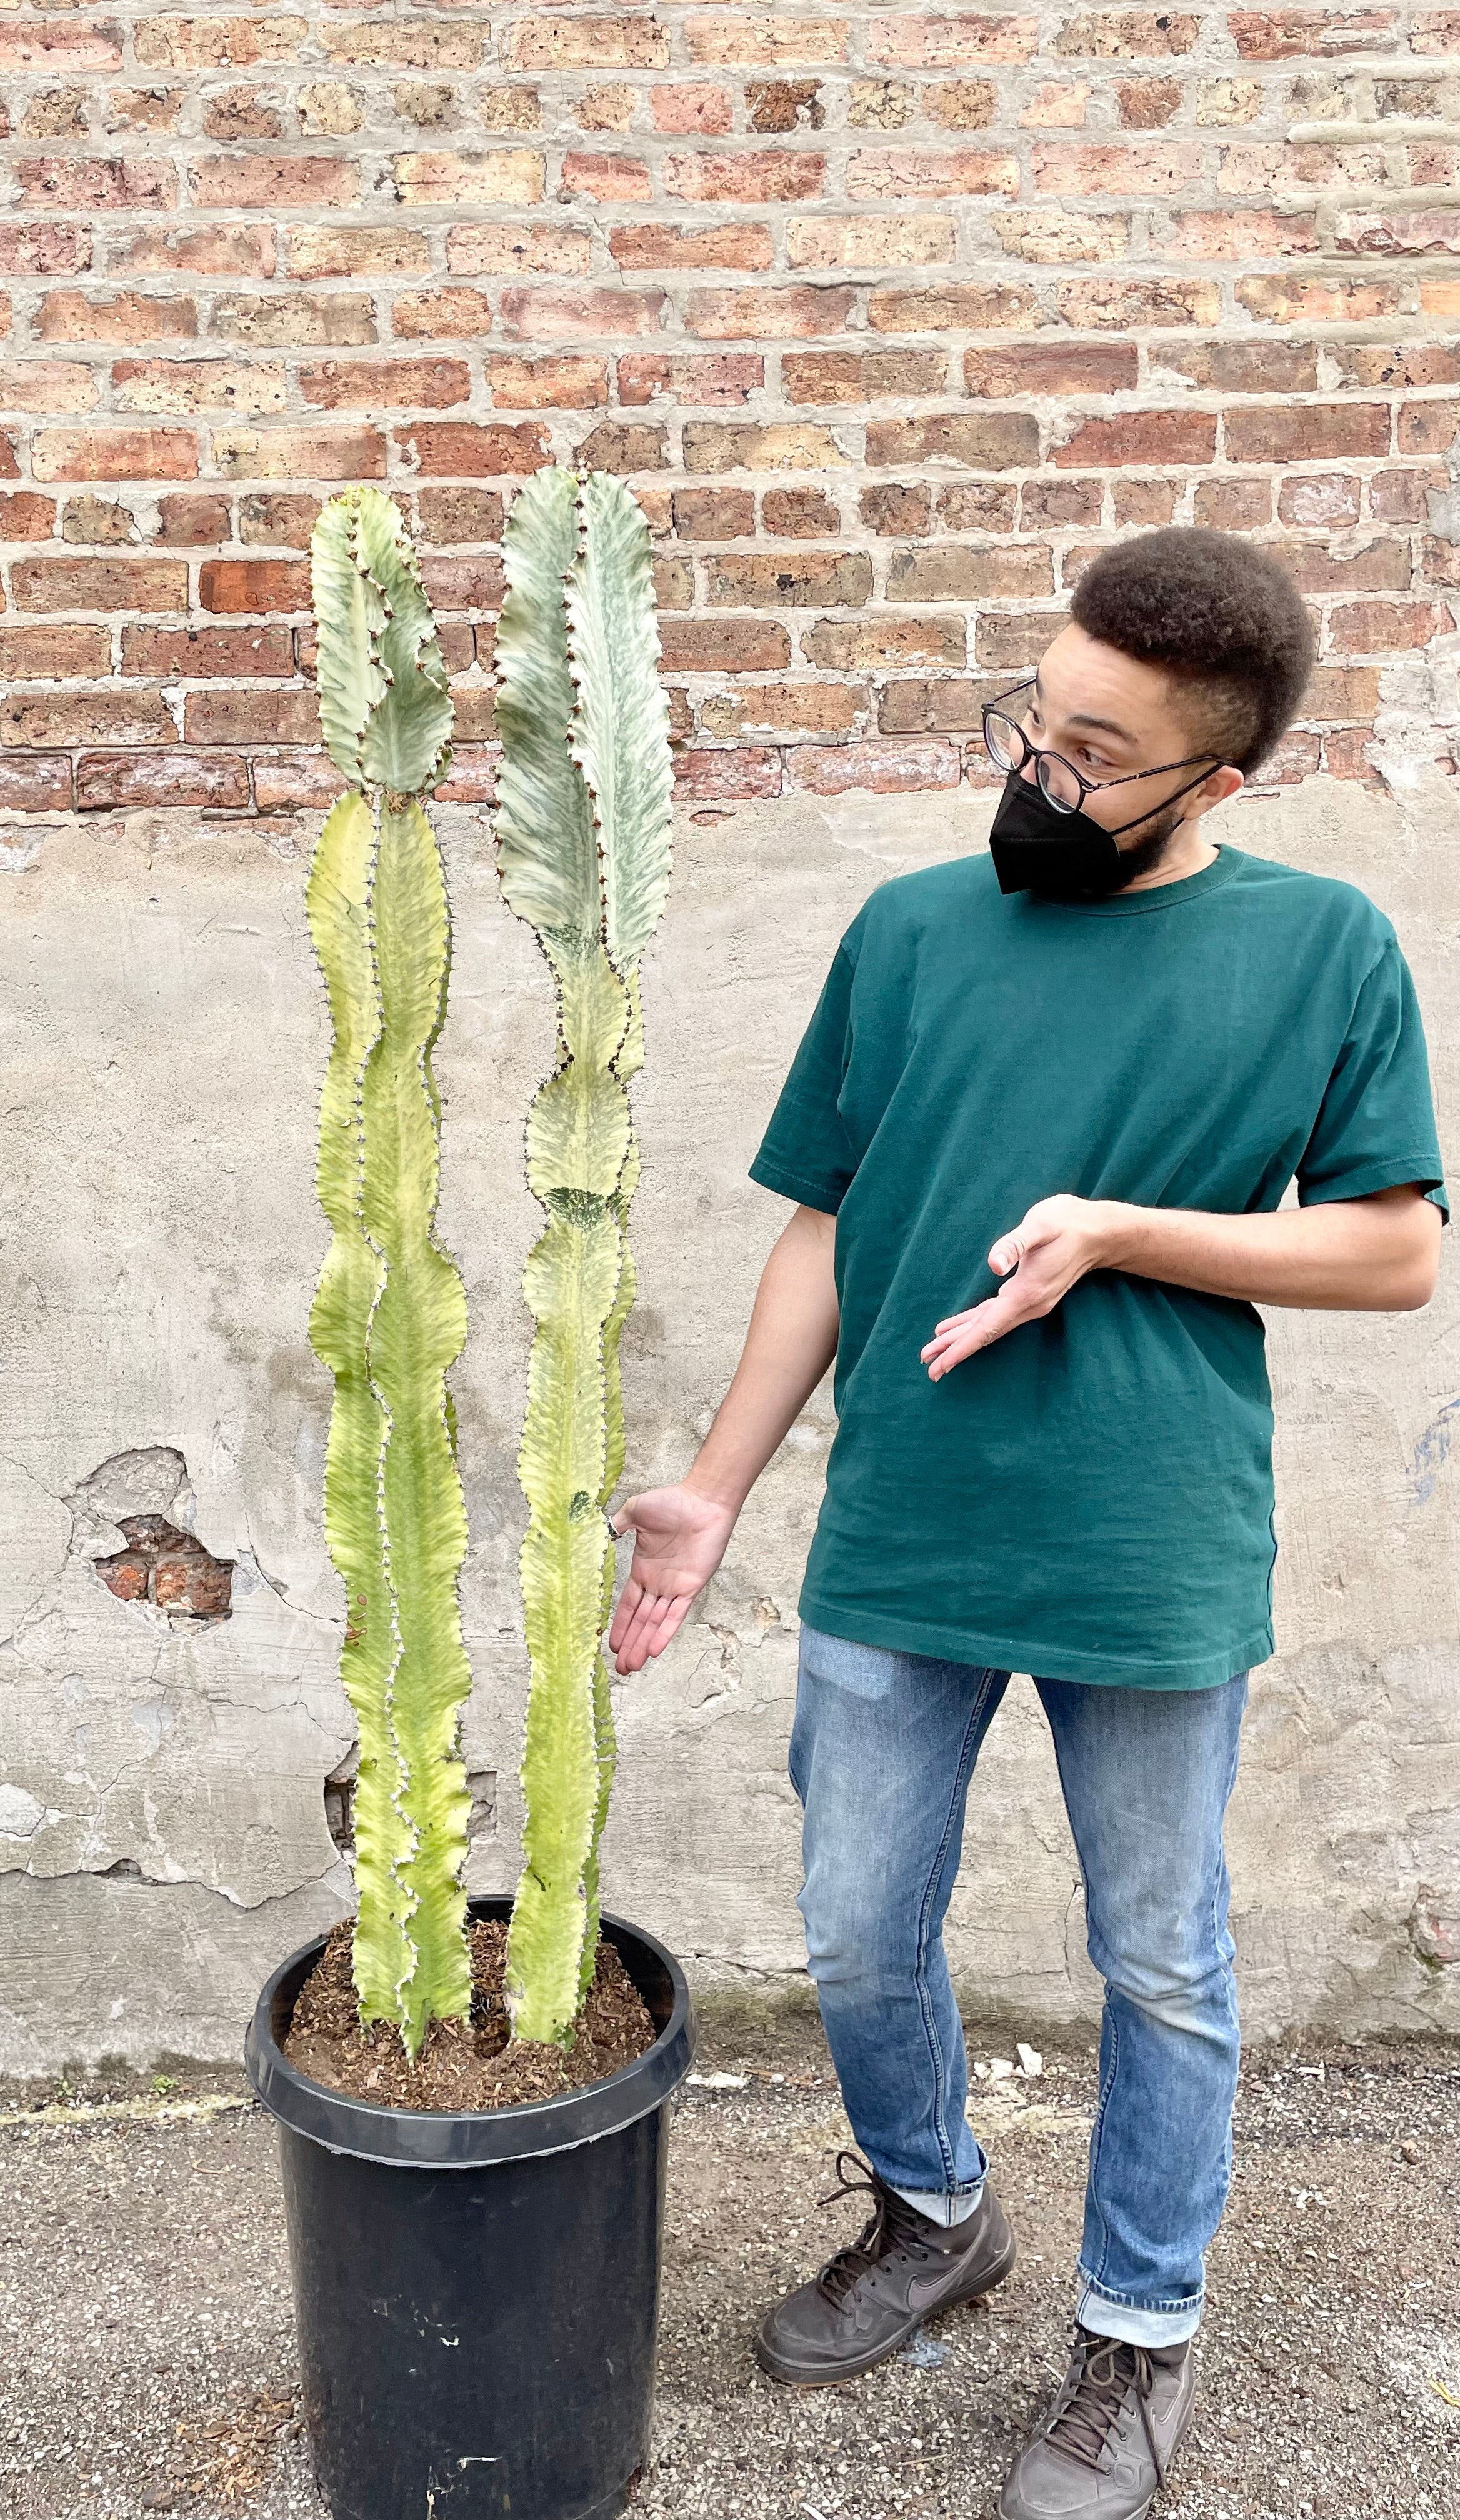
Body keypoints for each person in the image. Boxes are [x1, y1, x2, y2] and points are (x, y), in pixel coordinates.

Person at [608, 528, 1446, 2520]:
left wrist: (1124, 1232)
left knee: (1158, 1957)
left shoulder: (1323, 948)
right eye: (1031, 720)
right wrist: (713, 1490)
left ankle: (1136, 2340)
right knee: (853, 1930)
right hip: (904, 1518)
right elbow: (829, 1224)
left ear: (1214, 783)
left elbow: (1400, 1251)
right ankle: (932, 2212)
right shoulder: (907, 931)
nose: (1035, 773)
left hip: (1146, 1537)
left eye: (1092, 752)